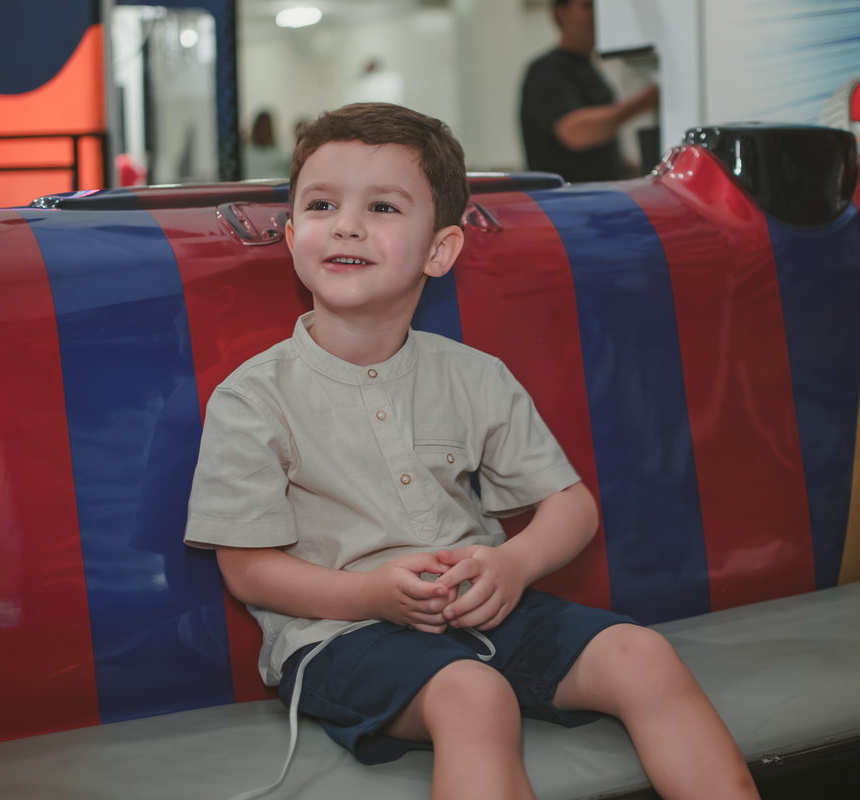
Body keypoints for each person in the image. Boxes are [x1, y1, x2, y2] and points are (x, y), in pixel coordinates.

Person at [185, 102, 758, 800]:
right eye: (322, 203)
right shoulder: (252, 398)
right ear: (293, 231)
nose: (348, 224)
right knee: (475, 697)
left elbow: (570, 507)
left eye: (384, 208)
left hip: (484, 611)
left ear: (440, 250)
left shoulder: (473, 375)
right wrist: (370, 593)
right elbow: (247, 569)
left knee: (644, 655)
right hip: (337, 637)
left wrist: (511, 564)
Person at [520, 0, 659, 182]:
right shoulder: (546, 70)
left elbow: (594, 145)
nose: (596, 15)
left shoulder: (591, 71)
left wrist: (624, 165)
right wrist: (643, 102)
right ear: (559, 14)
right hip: (565, 202)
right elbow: (575, 131)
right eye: (587, 6)